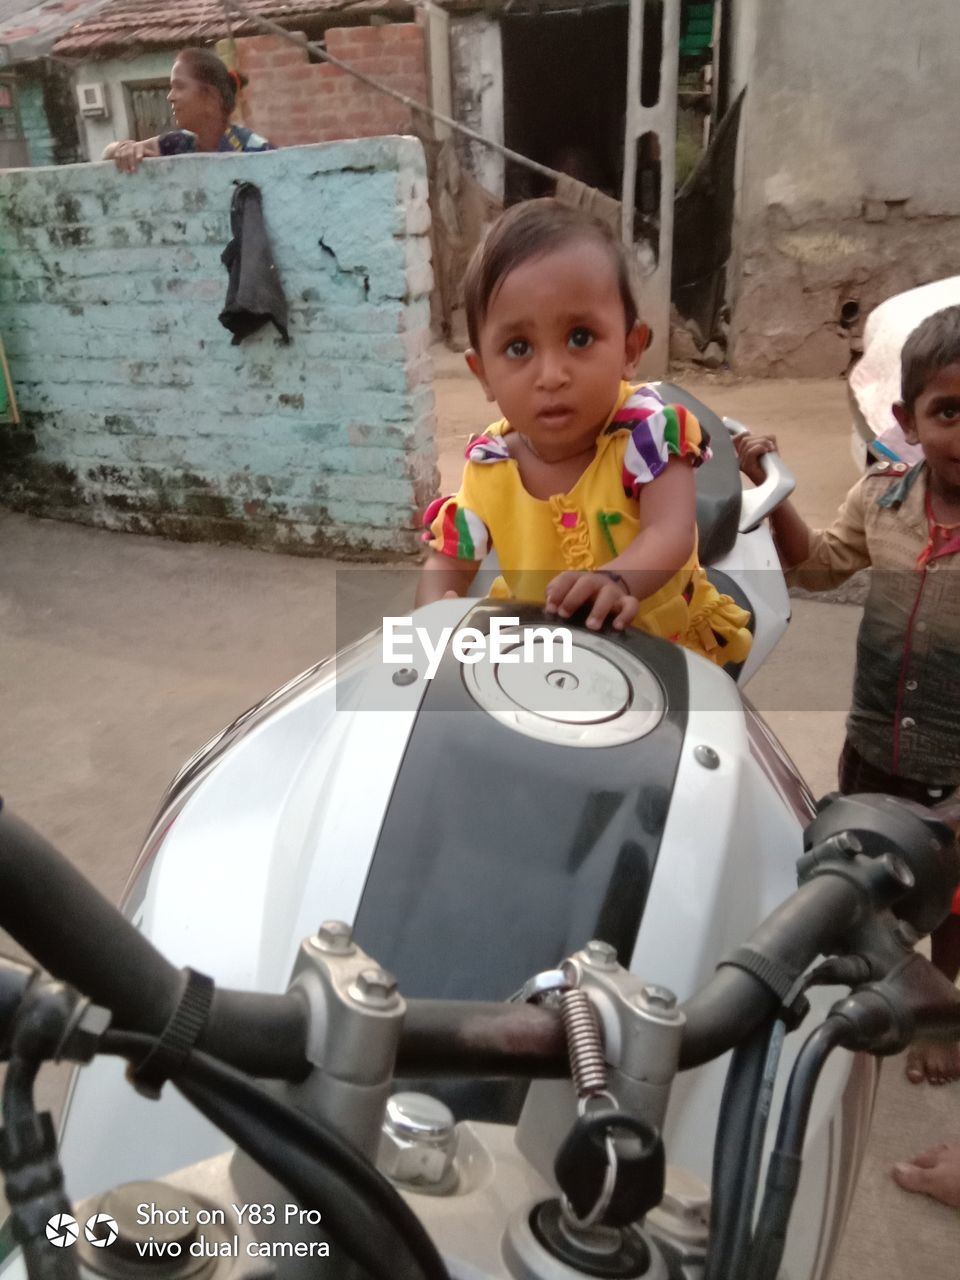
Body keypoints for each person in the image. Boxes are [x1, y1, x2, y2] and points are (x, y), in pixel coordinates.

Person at [734, 303, 960, 1086]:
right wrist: (771, 489)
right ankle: (875, 988)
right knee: (866, 866)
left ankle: (940, 1011)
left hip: (955, 763)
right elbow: (821, 563)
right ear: (907, 419)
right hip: (875, 743)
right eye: (947, 412)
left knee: (954, 903)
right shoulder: (883, 499)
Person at [416, 198, 752, 664]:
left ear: (631, 348)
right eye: (518, 348)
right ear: (483, 374)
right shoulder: (490, 464)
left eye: (580, 337)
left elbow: (670, 531)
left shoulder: (647, 435)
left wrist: (616, 581)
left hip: (660, 651)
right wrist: (437, 611)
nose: (551, 374)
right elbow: (450, 559)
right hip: (548, 657)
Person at [103, 48, 274, 173]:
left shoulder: (255, 152)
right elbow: (108, 153)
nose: (170, 97)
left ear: (210, 98)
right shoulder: (178, 143)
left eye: (179, 87)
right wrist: (125, 148)